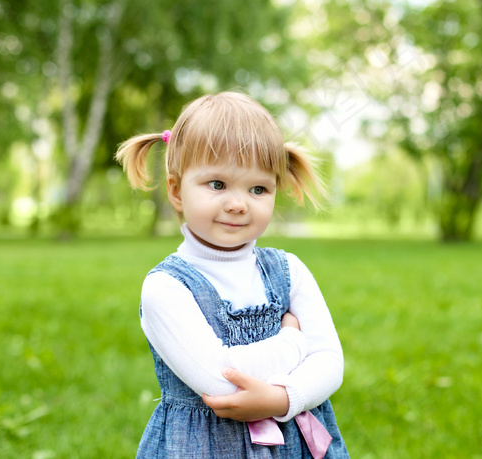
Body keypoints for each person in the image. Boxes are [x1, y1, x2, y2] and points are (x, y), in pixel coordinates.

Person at [115, 91, 349, 458]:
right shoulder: (166, 287)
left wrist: (283, 399)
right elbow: (220, 382)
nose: (238, 203)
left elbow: (330, 362)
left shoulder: (289, 270)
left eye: (258, 188)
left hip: (294, 446)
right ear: (176, 191)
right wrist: (292, 342)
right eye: (218, 185)